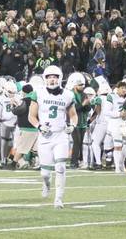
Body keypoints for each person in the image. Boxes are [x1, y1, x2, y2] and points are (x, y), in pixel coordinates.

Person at [29, 65, 77, 208]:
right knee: (45, 173)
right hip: (45, 136)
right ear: (45, 78)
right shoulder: (38, 93)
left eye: (55, 77)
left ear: (60, 78)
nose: (52, 79)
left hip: (61, 135)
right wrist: (39, 126)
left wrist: (72, 125)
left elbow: (73, 115)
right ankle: (46, 183)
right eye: (49, 77)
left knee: (61, 167)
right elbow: (31, 116)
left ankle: (58, 199)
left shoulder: (68, 94)